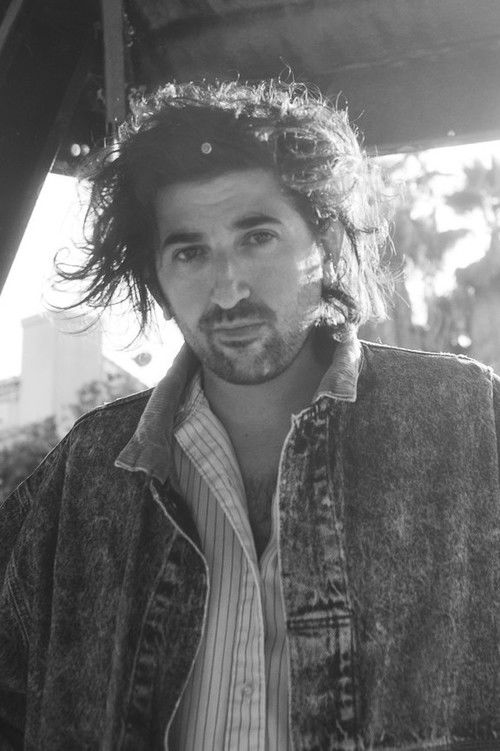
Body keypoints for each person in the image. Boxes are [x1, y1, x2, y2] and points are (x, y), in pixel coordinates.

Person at [0, 80, 499, 751]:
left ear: (325, 244)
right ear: (157, 276)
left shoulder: (465, 422)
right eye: (190, 252)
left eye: (257, 237)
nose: (227, 289)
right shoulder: (90, 471)